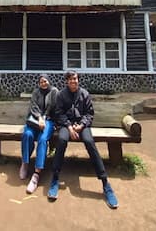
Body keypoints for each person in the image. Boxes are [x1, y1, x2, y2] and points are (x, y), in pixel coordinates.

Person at [47, 70, 118, 209]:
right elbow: (59, 113)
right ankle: (55, 178)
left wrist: (81, 125)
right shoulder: (61, 95)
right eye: (70, 79)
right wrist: (69, 127)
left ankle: (105, 182)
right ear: (67, 81)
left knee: (89, 142)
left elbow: (90, 113)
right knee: (61, 141)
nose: (73, 81)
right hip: (66, 126)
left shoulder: (84, 94)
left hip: (82, 125)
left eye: (75, 79)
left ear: (78, 80)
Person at [19, 74, 58, 194]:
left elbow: (55, 107)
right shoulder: (36, 92)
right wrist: (39, 118)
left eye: (45, 81)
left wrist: (46, 119)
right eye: (41, 82)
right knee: (27, 135)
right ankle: (25, 163)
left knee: (42, 139)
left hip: (49, 121)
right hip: (34, 121)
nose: (43, 83)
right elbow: (33, 107)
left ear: (49, 81)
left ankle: (36, 174)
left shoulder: (54, 91)